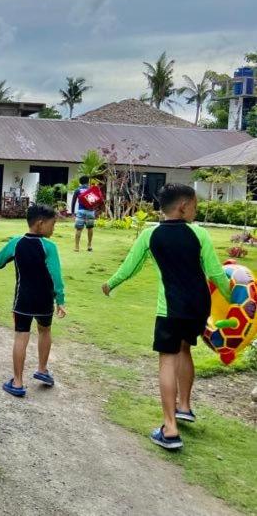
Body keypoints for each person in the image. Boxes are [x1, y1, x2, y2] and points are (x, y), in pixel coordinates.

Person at [101, 183, 230, 450]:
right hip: (197, 308)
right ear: (183, 207)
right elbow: (216, 273)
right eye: (195, 206)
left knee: (167, 361)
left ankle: (170, 429)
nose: (196, 211)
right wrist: (237, 300)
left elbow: (131, 266)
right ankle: (184, 406)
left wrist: (110, 284)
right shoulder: (200, 234)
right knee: (185, 349)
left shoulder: (151, 235)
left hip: (170, 309)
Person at [0, 204, 67, 397]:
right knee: (45, 330)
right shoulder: (49, 247)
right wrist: (60, 300)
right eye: (52, 224)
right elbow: (56, 276)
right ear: (40, 224)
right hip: (44, 301)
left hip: (22, 300)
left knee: (21, 336)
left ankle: (18, 382)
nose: (53, 229)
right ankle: (42, 369)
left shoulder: (16, 243)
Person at [71, 176, 101, 252]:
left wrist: (72, 212)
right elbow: (96, 200)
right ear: (88, 182)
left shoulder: (78, 190)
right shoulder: (91, 189)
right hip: (90, 211)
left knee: (79, 229)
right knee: (90, 228)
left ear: (80, 182)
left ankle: (77, 247)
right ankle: (89, 245)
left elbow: (73, 201)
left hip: (81, 211)